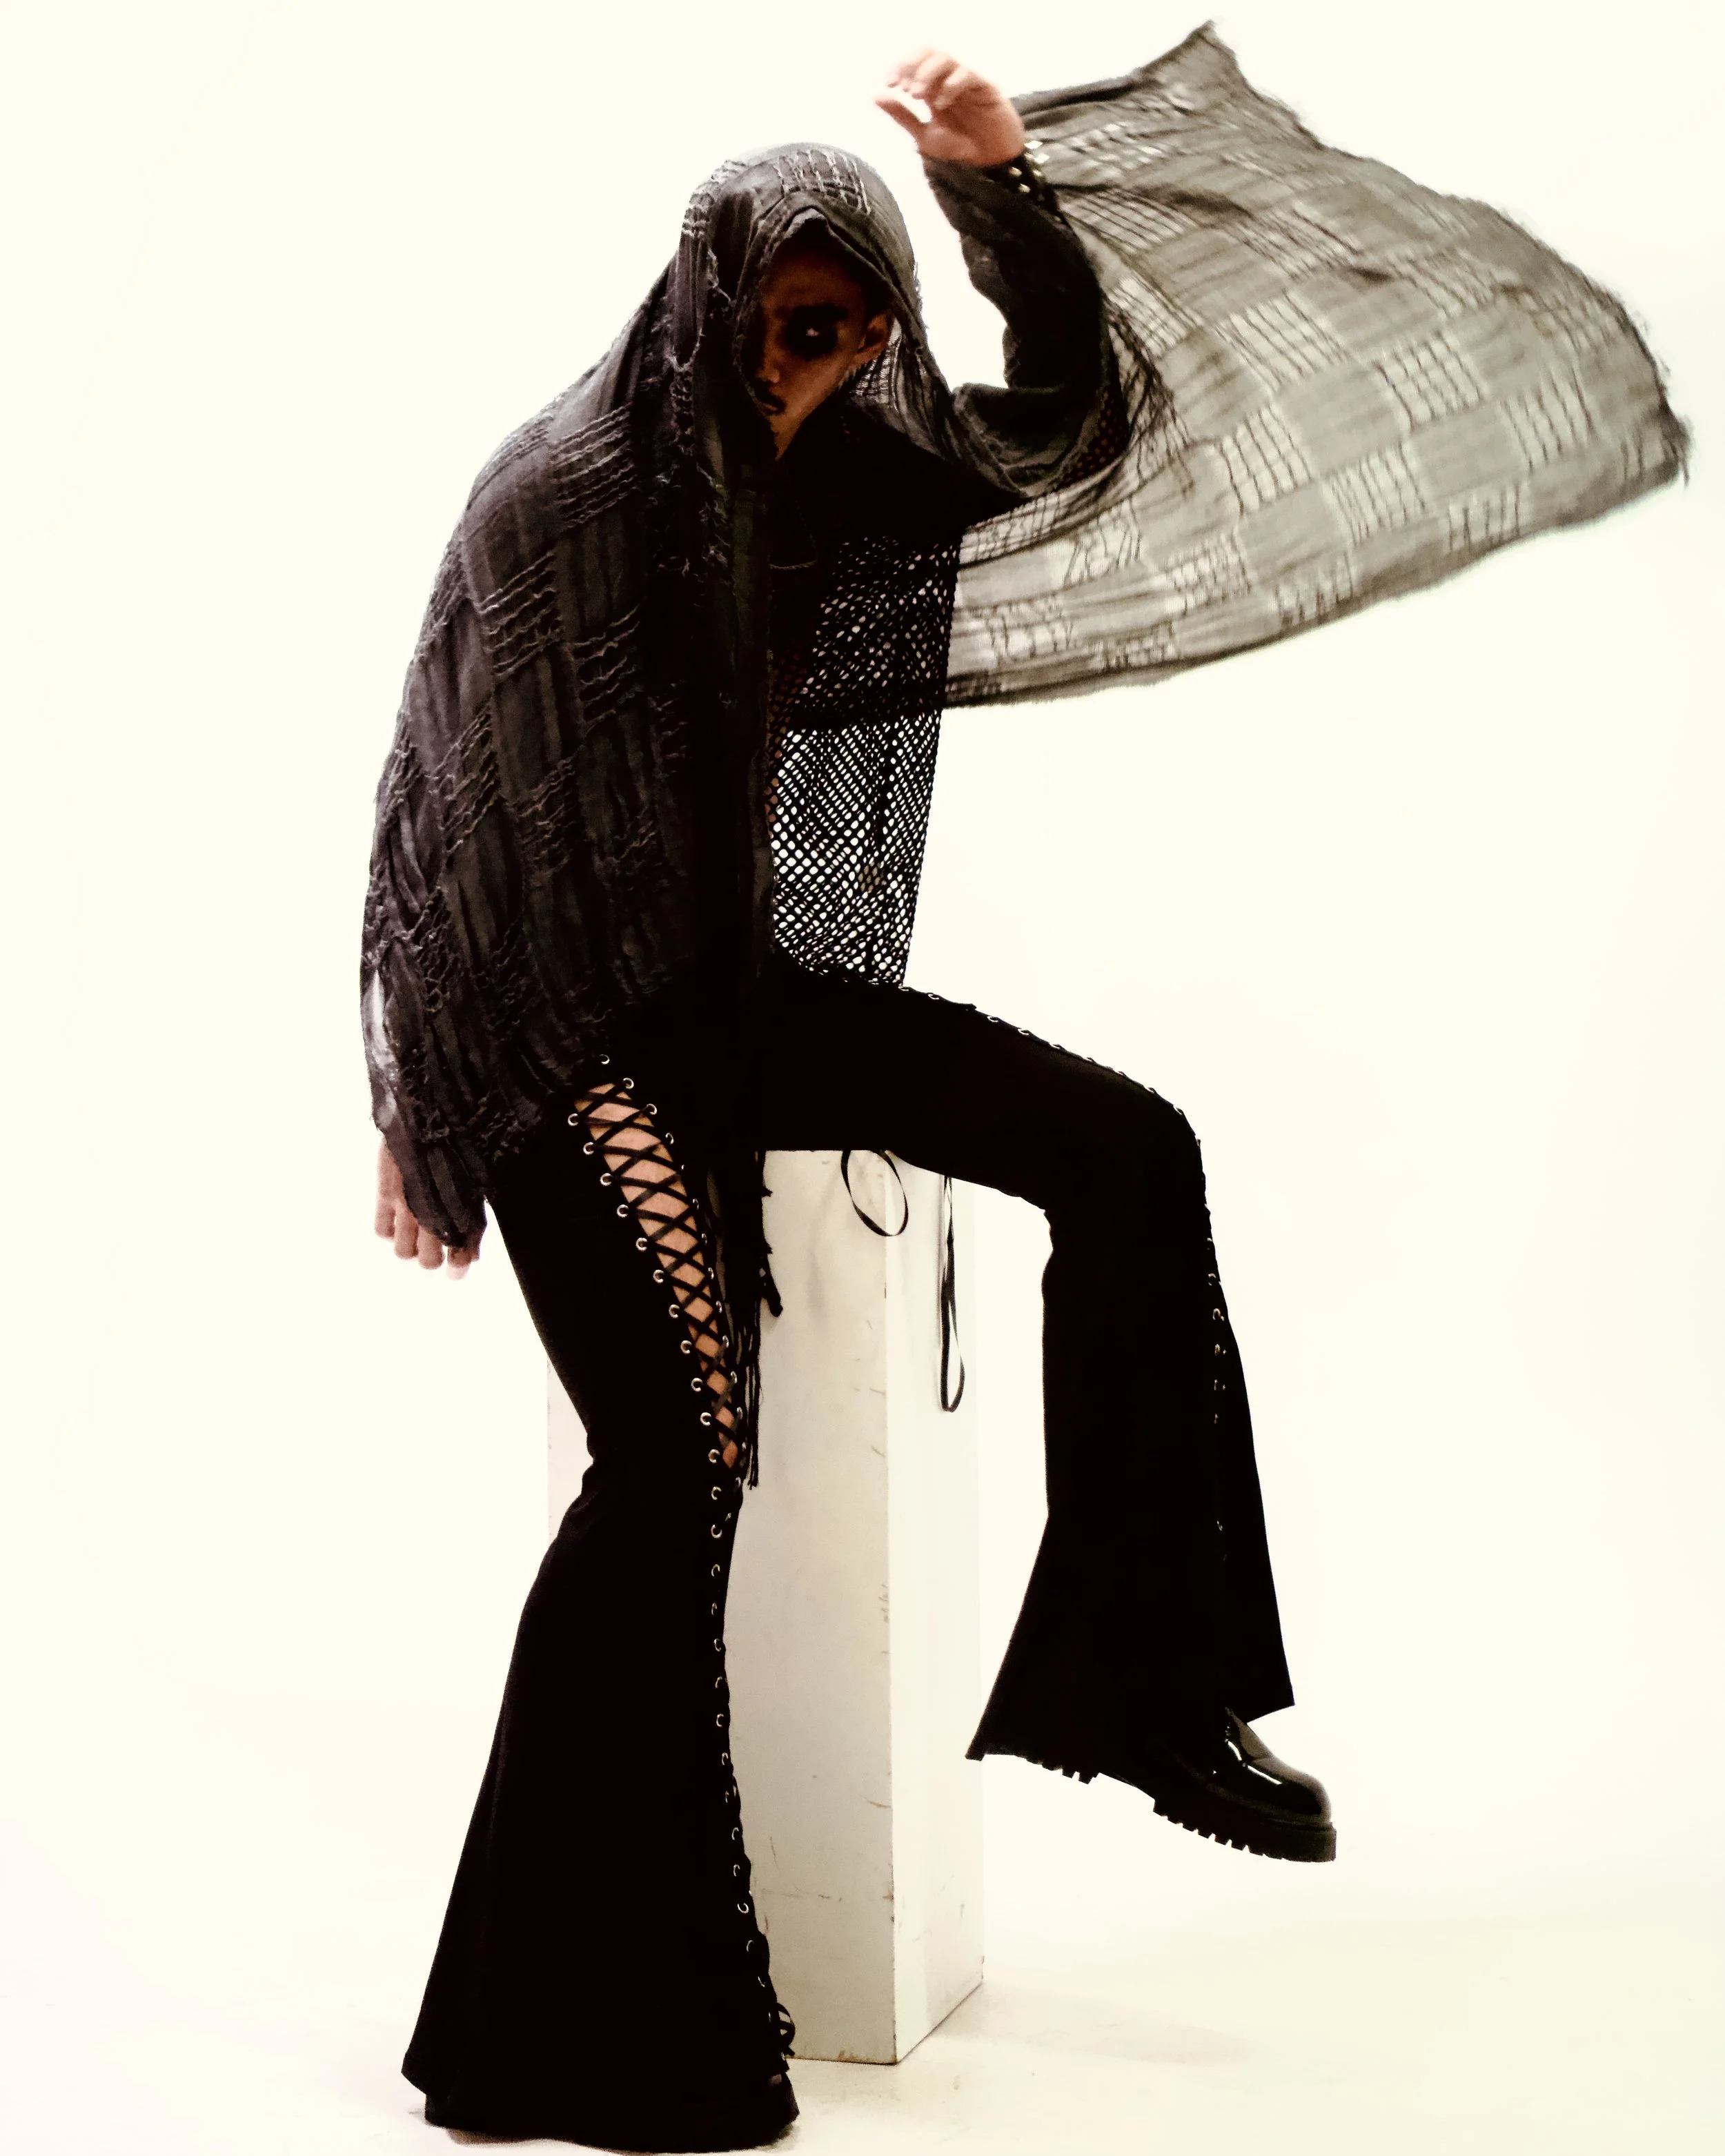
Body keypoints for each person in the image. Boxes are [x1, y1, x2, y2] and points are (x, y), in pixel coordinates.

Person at [365, 34, 1681, 2153]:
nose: (820, 373)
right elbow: (440, 816)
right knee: (676, 1468)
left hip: (735, 999)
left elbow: (1076, 423)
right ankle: (569, 2029)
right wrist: (418, 1102)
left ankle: (1155, 1693)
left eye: (856, 332)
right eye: (793, 334)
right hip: (563, 1034)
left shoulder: (839, 470)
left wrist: (997, 199)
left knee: (1129, 1149)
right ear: (713, 311)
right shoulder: (567, 495)